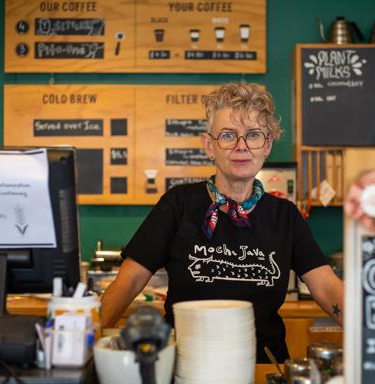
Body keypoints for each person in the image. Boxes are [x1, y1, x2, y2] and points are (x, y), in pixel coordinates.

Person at [100, 81, 344, 363]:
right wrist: (87, 343)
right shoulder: (178, 205)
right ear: (209, 146)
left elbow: (326, 287)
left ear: (267, 146)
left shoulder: (285, 216)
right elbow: (129, 282)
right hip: (186, 366)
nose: (241, 147)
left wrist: (373, 336)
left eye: (253, 135)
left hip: (262, 368)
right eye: (228, 135)